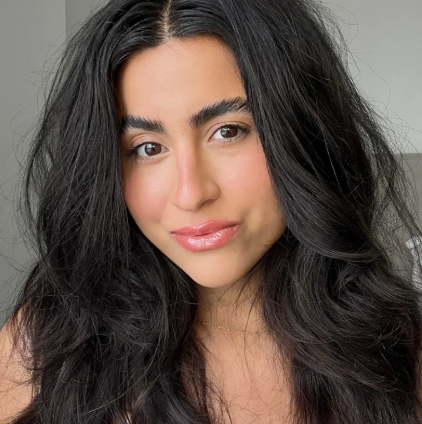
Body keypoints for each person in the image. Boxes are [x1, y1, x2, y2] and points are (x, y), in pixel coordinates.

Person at [1, 0, 422, 422]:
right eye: (147, 147)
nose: (191, 194)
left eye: (228, 131)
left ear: (305, 133)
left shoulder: (396, 348)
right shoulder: (45, 350)